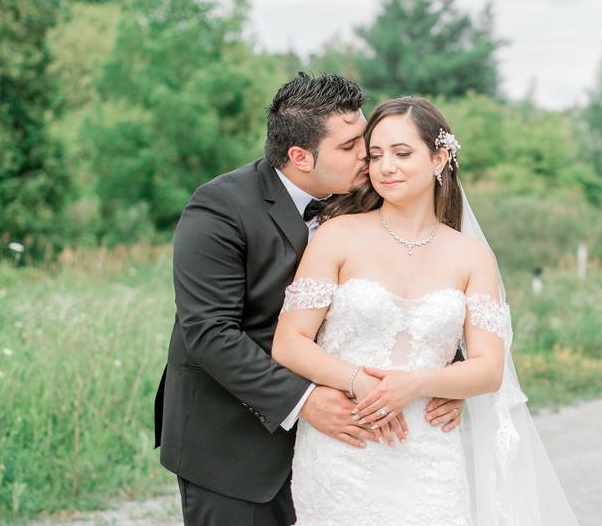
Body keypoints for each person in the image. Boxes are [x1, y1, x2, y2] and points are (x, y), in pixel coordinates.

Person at [153, 73, 464, 526]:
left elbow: (413, 287)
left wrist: (444, 377)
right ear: (300, 156)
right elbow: (209, 332)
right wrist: (304, 400)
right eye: (350, 147)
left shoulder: (367, 198)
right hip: (233, 444)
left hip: (346, 455)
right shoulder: (219, 208)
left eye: (366, 140)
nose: (368, 156)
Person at [272, 97, 579, 525]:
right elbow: (288, 343)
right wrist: (358, 381)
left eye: (402, 153)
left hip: (430, 455)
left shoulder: (471, 257)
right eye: (375, 155)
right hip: (345, 449)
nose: (385, 167)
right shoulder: (337, 236)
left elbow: (489, 369)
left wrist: (415, 383)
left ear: (440, 157)